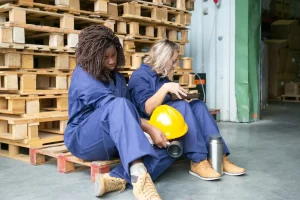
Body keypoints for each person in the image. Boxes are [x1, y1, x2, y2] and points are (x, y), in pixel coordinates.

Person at [64, 25, 177, 200]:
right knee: (119, 104)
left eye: (114, 55)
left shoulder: (117, 78)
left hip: (113, 141)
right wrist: (149, 128)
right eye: (105, 58)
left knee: (172, 147)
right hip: (84, 139)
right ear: (94, 57)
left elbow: (127, 113)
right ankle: (140, 178)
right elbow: (113, 106)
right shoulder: (83, 74)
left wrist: (149, 134)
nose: (111, 61)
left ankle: (116, 178)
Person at [128, 39, 246, 179]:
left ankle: (219, 157)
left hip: (166, 116)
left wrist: (178, 95)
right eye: (173, 61)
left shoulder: (162, 77)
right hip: (149, 123)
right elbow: (147, 109)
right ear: (163, 58)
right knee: (181, 107)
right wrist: (167, 88)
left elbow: (166, 102)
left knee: (198, 105)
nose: (175, 65)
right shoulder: (139, 76)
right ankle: (198, 161)